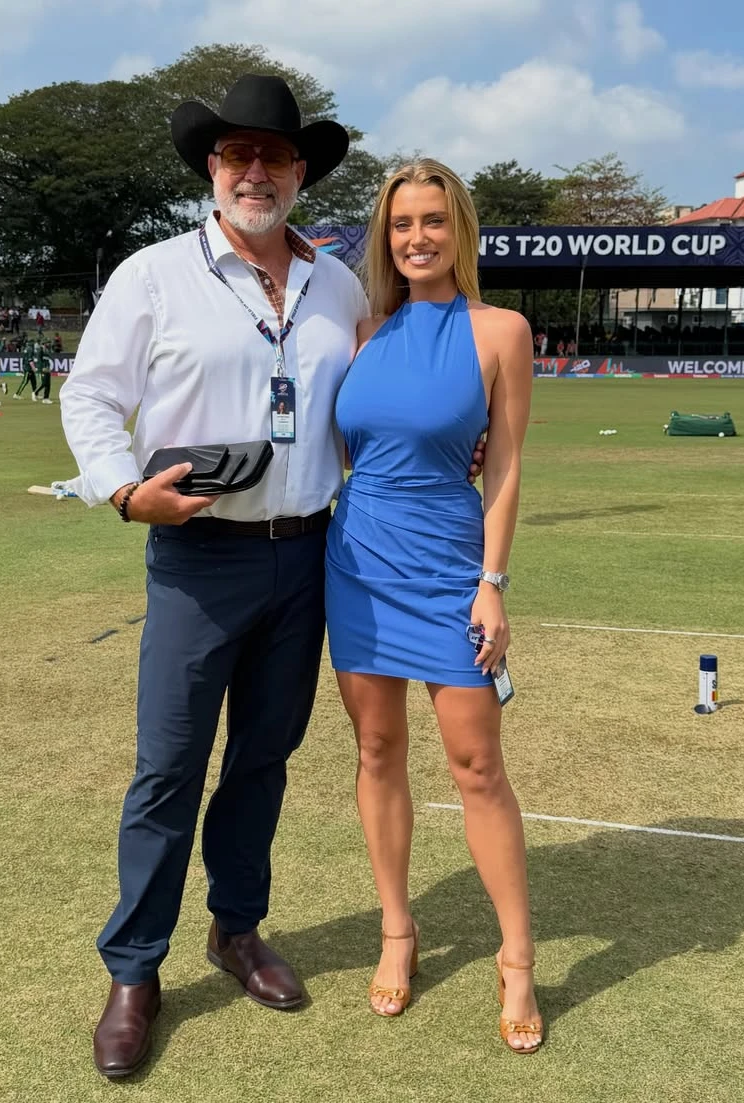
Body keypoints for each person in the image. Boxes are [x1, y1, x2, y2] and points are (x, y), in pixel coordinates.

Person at [60, 74, 371, 1081]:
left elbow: (363, 408)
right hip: (198, 552)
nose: (255, 170)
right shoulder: (153, 273)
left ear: (299, 171)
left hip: (308, 551)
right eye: (236, 154)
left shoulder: (340, 284)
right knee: (168, 766)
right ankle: (134, 968)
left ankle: (235, 928)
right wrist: (121, 490)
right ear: (211, 167)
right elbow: (93, 398)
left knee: (265, 758)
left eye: (274, 156)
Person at [326, 159, 542, 1053]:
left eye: (434, 221)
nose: (417, 237)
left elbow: (506, 465)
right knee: (377, 749)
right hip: (358, 566)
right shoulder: (362, 331)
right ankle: (398, 932)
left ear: (460, 231)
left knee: (476, 766)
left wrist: (492, 583)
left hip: (452, 573)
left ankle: (518, 956)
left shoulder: (502, 330)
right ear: (387, 235)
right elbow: (342, 450)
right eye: (402, 222)